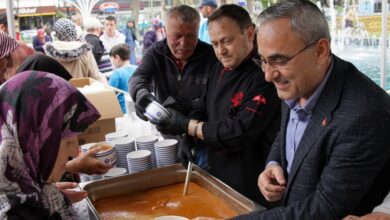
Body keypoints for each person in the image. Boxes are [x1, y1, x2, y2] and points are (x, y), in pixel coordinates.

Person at [234, 1, 390, 219]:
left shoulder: (365, 113)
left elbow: (325, 209)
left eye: (279, 60)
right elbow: (287, 130)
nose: (268, 75)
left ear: (320, 50)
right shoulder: (298, 78)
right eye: (263, 60)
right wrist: (274, 162)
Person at [156, 4, 280, 206]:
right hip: (219, 176)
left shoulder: (264, 76)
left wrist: (187, 125)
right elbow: (203, 105)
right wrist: (189, 138)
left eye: (227, 41)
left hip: (252, 184)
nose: (221, 51)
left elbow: (239, 132)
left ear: (250, 33)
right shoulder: (219, 68)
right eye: (214, 44)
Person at [0, 71, 100, 219]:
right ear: (34, 142)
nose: (74, 152)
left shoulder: (24, 192)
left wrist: (43, 194)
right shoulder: (14, 213)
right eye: (68, 142)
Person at [129, 5, 218, 167]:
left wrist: (190, 137)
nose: (183, 44)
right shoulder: (156, 53)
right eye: (177, 36)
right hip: (167, 133)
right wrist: (141, 94)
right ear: (165, 31)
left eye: (191, 36)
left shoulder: (212, 57)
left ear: (198, 31)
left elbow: (211, 103)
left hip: (203, 133)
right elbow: (139, 77)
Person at [45, 18, 107, 84]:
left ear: (57, 34)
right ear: (74, 31)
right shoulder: (85, 51)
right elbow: (95, 77)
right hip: (82, 92)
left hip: (60, 93)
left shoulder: (50, 54)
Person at [109, 43, 136, 114]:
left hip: (124, 111)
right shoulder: (138, 69)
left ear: (117, 58)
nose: (112, 63)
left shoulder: (117, 73)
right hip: (139, 108)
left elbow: (109, 93)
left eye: (112, 59)